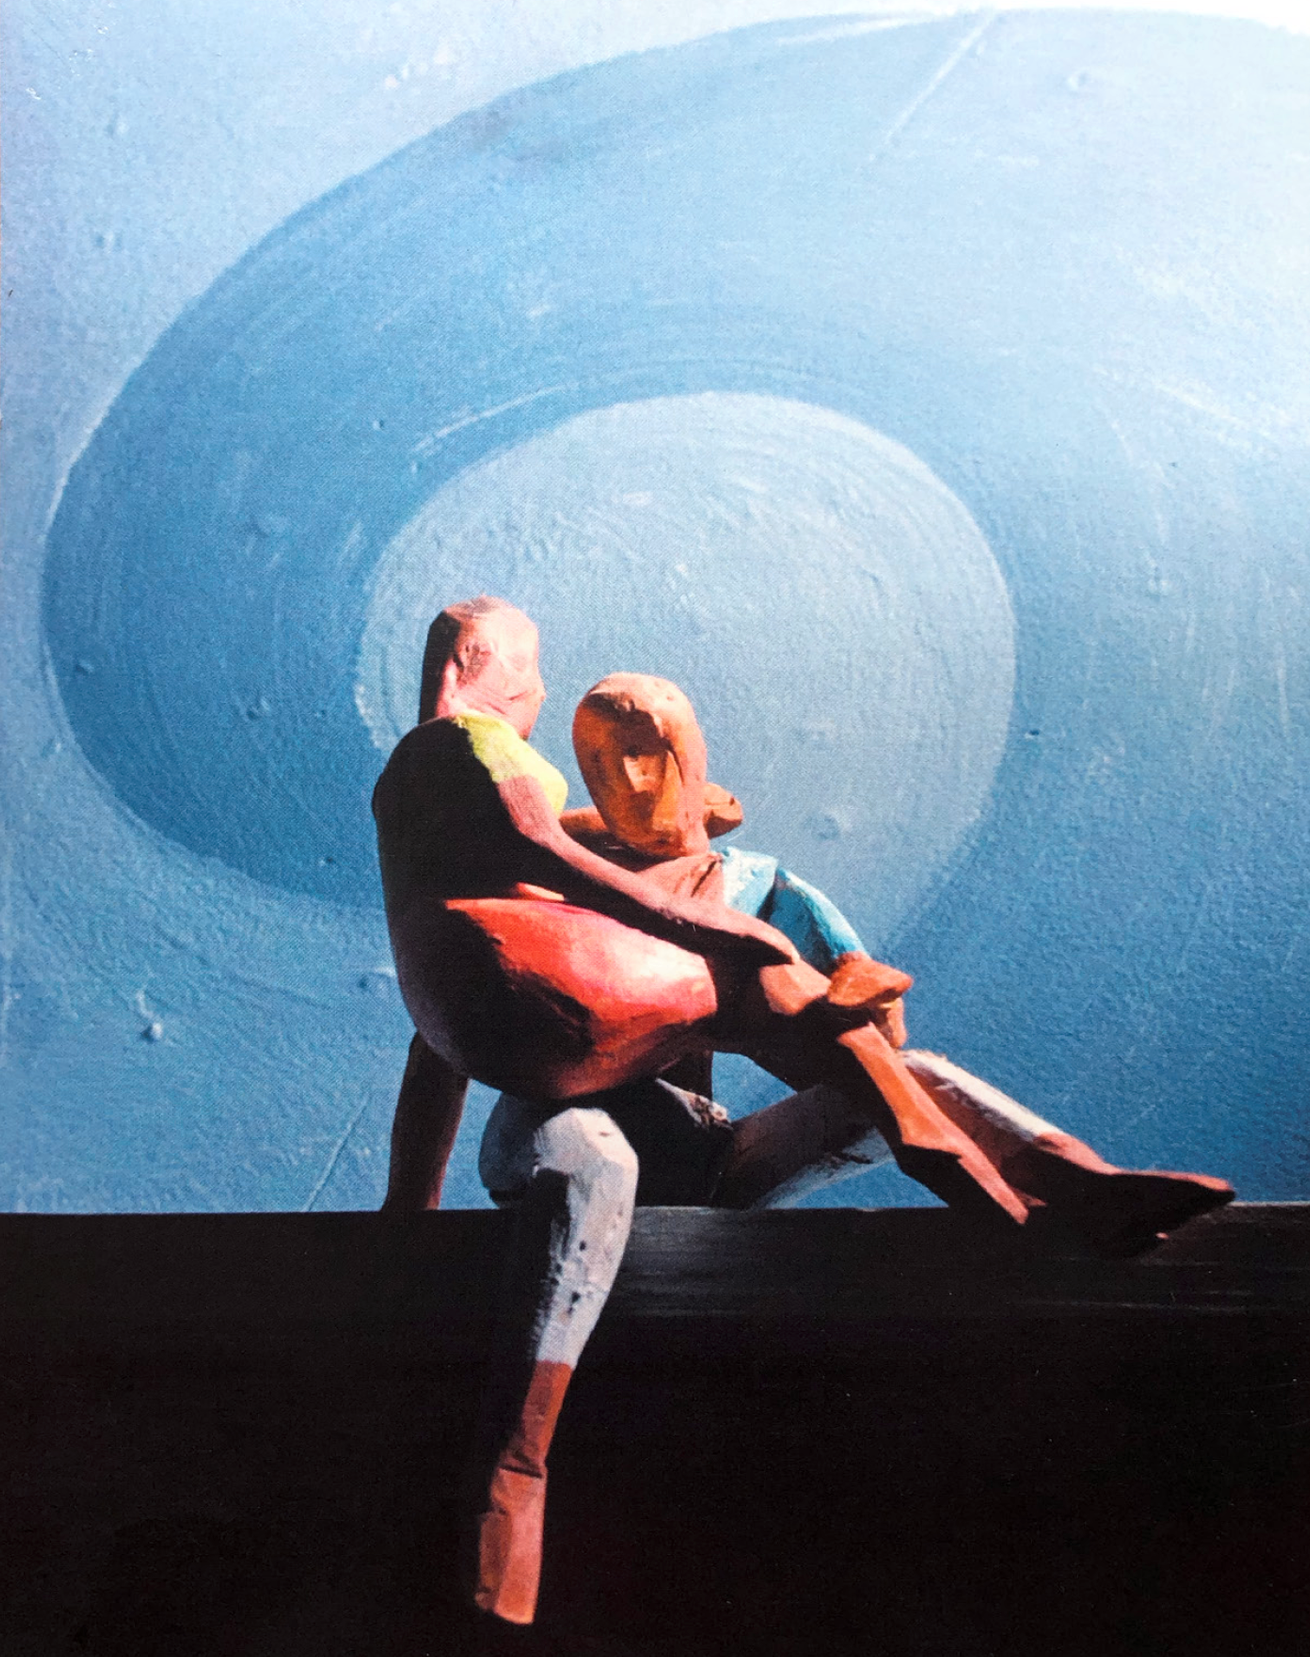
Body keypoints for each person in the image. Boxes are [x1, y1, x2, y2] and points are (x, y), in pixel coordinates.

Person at [372, 603, 1233, 1626]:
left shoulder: (755, 882)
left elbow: (870, 1020)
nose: (629, 781)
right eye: (601, 762)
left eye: (649, 753)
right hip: (570, 1112)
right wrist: (407, 1213)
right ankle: (515, 1467)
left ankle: (1072, 1177)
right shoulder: (559, 871)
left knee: (915, 1077)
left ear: (693, 761)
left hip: (702, 1145)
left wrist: (856, 992)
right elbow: (452, 1021)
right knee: (590, 1164)